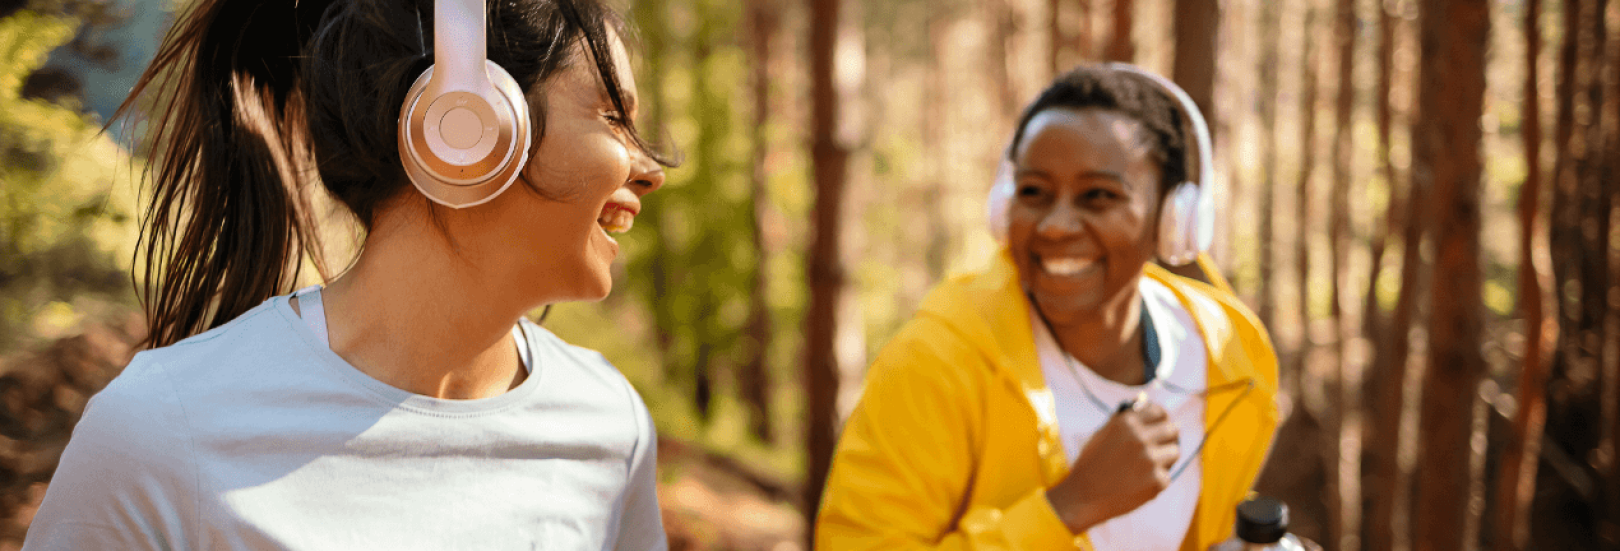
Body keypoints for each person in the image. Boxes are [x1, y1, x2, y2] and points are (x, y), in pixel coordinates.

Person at [24, 0, 674, 548]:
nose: (651, 171)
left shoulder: (608, 423)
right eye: (612, 116)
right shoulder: (159, 433)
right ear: (466, 126)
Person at [815, 64, 1280, 551]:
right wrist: (1067, 507)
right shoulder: (938, 360)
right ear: (1003, 207)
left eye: (1098, 196)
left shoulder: (1227, 355)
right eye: (1033, 192)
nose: (1056, 226)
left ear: (1173, 219)